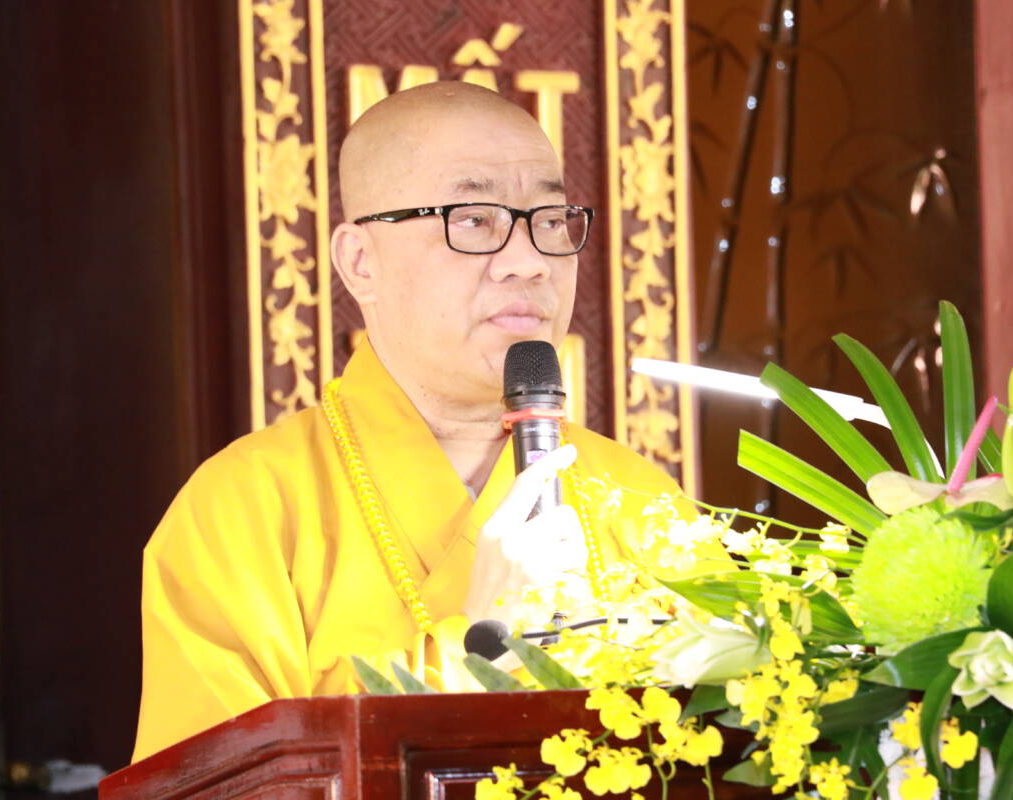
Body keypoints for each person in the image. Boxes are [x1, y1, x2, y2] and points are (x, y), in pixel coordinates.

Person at [131, 82, 714, 762]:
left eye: (551, 220)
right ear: (360, 263)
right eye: (473, 220)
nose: (530, 262)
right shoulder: (245, 507)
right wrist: (485, 641)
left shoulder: (640, 497)